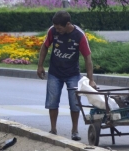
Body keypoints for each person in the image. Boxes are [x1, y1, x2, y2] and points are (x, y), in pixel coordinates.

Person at [37, 10, 97, 141]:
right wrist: (40, 65)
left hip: (73, 74)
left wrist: (91, 80)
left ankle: (75, 131)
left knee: (75, 103)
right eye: (56, 28)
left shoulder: (79, 35)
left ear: (68, 24)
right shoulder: (52, 31)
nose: (57, 30)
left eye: (59, 28)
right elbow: (45, 46)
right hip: (55, 73)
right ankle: (53, 129)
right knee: (52, 102)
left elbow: (87, 58)